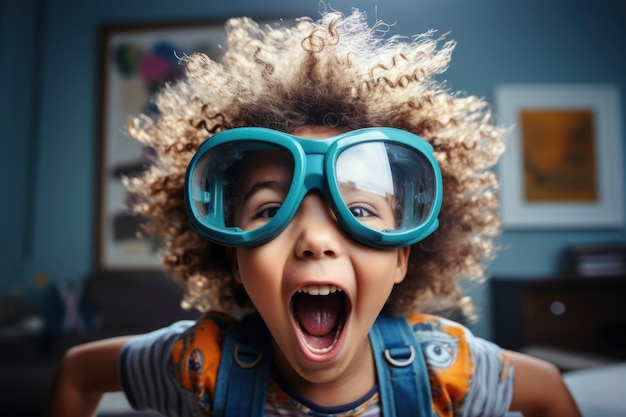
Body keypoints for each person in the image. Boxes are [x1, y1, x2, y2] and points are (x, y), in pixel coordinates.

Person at [48, 9, 581, 417]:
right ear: (234, 258)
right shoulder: (200, 364)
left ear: (402, 257)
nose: (316, 241)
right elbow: (78, 372)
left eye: (361, 209)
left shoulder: (448, 368)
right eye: (271, 208)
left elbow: (550, 393)